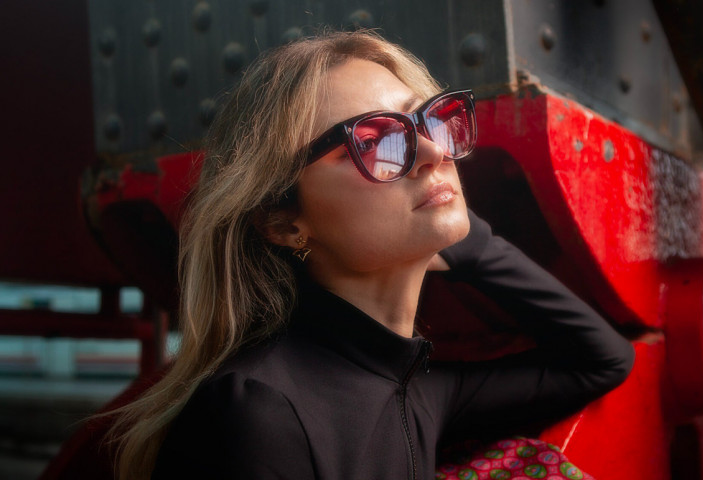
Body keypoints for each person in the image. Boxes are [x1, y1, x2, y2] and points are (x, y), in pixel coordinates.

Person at [108, 30, 634, 480]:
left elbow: (601, 360)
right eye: (374, 142)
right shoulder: (254, 414)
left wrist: (469, 241)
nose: (433, 153)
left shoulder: (415, 389)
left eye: (429, 120)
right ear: (283, 222)